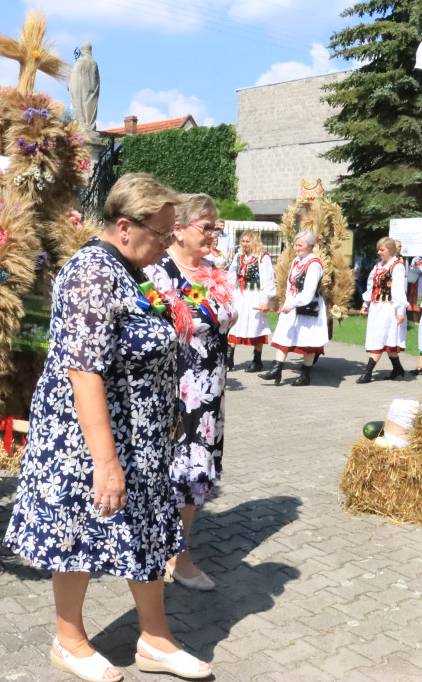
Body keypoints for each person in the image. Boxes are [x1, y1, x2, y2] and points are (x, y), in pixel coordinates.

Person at [3, 174, 211, 681]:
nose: (167, 244)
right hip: (87, 441)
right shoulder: (91, 274)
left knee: (146, 531)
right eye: (162, 234)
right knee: (77, 531)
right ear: (124, 226)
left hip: (138, 438)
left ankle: (154, 640)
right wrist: (106, 462)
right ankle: (69, 640)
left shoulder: (132, 268)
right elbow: (84, 370)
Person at [146, 194, 236, 591]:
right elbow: (167, 317)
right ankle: (168, 555)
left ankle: (178, 554)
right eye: (206, 227)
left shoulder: (214, 268)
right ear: (178, 229)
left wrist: (198, 306)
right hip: (174, 388)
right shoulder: (156, 270)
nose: (213, 235)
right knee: (171, 470)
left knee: (194, 475)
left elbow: (229, 313)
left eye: (216, 227)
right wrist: (200, 308)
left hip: (209, 389)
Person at [259, 230, 329, 386]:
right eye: (296, 245)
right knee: (284, 334)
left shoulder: (314, 264)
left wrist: (292, 304)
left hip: (308, 306)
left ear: (310, 246)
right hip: (293, 302)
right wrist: (287, 301)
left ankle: (305, 374)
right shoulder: (297, 260)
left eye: (299, 245)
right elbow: (291, 284)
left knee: (307, 340)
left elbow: (309, 291)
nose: (296, 248)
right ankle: (276, 369)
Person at [358, 237, 408, 383]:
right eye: (378, 249)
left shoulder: (397, 266)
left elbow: (398, 290)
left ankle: (367, 373)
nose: (379, 252)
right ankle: (398, 370)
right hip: (377, 306)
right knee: (386, 341)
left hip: (390, 307)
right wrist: (365, 304)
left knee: (381, 338)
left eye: (382, 249)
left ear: (391, 250)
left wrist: (400, 311)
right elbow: (370, 286)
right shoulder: (379, 265)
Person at [227, 230, 275, 372]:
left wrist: (265, 300)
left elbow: (268, 279)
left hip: (255, 295)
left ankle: (257, 360)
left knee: (256, 326)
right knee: (234, 325)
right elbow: (231, 276)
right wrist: (228, 294)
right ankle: (229, 359)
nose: (245, 244)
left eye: (248, 241)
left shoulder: (262, 257)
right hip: (239, 295)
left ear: (254, 242)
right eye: (243, 241)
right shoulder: (238, 256)